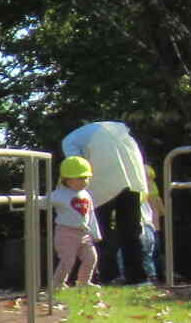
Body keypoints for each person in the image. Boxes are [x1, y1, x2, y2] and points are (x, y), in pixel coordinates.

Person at [61, 120, 150, 284]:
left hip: (102, 179)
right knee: (131, 229)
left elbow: (76, 168)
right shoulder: (115, 128)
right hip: (132, 175)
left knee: (101, 230)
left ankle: (107, 275)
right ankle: (138, 277)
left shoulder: (69, 140)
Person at [47, 155, 100, 289]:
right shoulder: (59, 194)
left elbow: (91, 214)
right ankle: (57, 283)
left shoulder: (86, 194)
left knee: (91, 258)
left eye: (87, 178)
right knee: (67, 261)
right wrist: (27, 196)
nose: (85, 181)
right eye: (81, 178)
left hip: (84, 233)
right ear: (68, 180)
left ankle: (83, 282)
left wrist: (95, 233)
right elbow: (42, 202)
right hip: (66, 233)